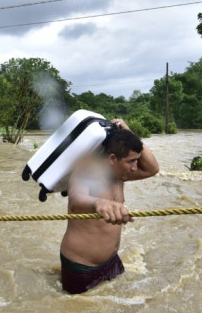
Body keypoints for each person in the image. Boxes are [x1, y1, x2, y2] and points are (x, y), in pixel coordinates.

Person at [59, 119, 159, 294]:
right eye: (131, 161)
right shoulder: (86, 172)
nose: (136, 167)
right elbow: (76, 201)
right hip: (81, 267)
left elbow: (153, 169)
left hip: (111, 262)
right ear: (112, 158)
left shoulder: (122, 175)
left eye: (137, 160)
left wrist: (129, 133)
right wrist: (99, 202)